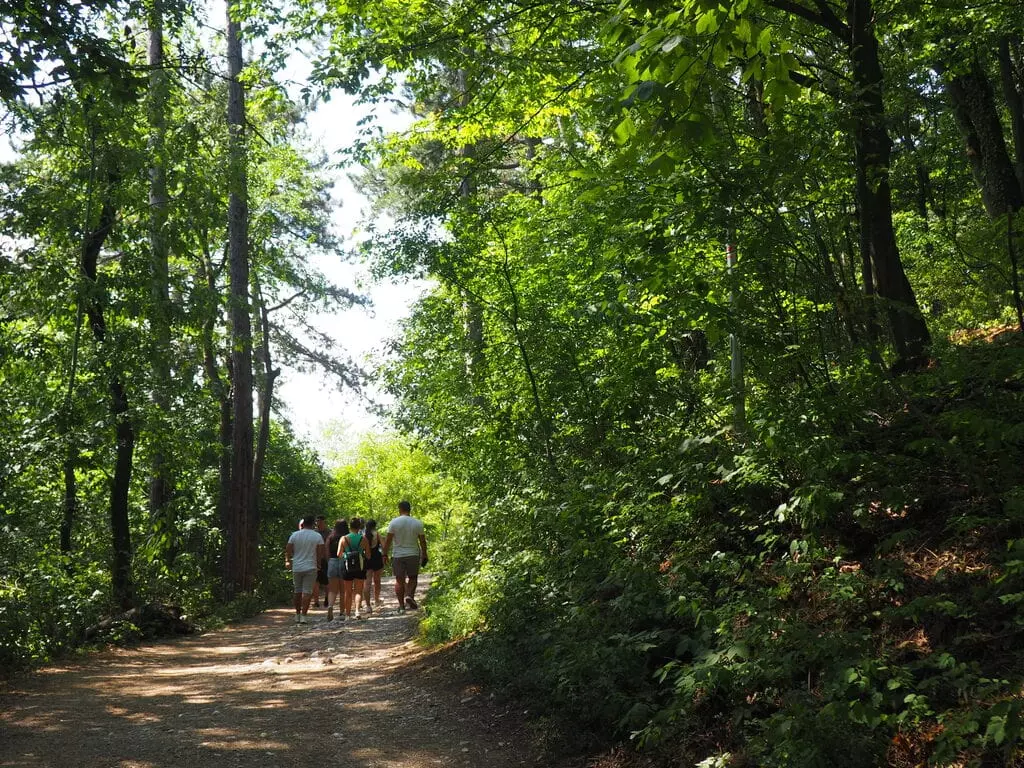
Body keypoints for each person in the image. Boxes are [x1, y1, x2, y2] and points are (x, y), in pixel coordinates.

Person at [383, 500, 427, 614]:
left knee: (399, 580)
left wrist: (384, 554)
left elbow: (388, 540)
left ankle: (401, 606)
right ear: (409, 509)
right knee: (413, 578)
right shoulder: (417, 523)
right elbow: (422, 541)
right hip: (413, 554)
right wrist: (424, 554)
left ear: (400, 509)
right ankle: (409, 596)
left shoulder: (394, 522)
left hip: (398, 555)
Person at [285, 516, 325, 624]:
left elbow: (288, 548)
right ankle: (304, 615)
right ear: (313, 524)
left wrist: (287, 560)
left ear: (303, 524)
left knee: (297, 591)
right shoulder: (317, 536)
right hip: (311, 567)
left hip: (297, 567)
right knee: (307, 592)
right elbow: (320, 552)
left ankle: (297, 614)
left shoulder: (295, 535)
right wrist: (319, 564)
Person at [340, 517, 372, 620]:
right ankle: (357, 611)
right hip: (360, 567)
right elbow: (368, 556)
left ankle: (348, 615)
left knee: (348, 591)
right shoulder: (363, 539)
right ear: (359, 527)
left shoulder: (344, 538)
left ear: (350, 526)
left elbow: (338, 554)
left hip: (347, 567)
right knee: (358, 590)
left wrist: (347, 554)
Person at [325, 519, 349, 622]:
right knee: (343, 590)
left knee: (332, 590)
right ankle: (342, 612)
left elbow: (326, 552)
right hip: (344, 561)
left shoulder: (330, 537)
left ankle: (330, 606)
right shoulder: (347, 537)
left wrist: (329, 561)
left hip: (332, 562)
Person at [362, 519, 385, 612]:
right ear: (374, 526)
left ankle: (367, 605)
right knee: (377, 580)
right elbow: (384, 546)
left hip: (367, 559)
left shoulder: (363, 535)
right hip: (376, 558)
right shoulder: (377, 534)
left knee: (367, 582)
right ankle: (376, 600)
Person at [312, 515, 330, 608]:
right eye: (317, 521)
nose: (318, 523)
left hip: (325, 560)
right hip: (314, 559)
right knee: (315, 580)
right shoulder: (313, 533)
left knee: (327, 580)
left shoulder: (329, 532)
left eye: (320, 521)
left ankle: (327, 599)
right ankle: (316, 601)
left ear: (324, 522)